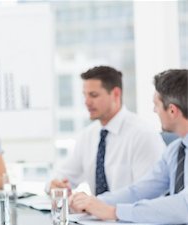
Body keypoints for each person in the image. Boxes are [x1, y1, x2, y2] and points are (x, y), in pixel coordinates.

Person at [71, 69, 188, 225]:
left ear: (172, 110)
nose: (154, 110)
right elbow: (141, 189)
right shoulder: (176, 150)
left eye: (157, 104)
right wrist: (94, 203)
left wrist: (115, 212)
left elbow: (183, 205)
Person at [48, 66, 165, 196]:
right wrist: (55, 184)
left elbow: (148, 195)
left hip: (127, 215)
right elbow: (64, 175)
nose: (87, 102)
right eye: (85, 95)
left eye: (93, 95)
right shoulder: (88, 135)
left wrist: (99, 205)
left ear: (116, 94)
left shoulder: (143, 135)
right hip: (95, 215)